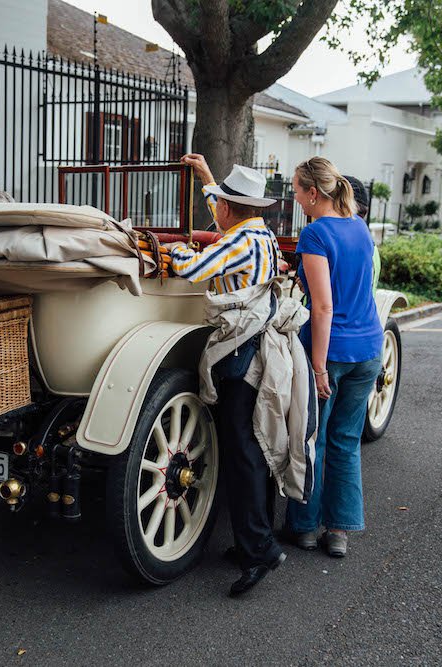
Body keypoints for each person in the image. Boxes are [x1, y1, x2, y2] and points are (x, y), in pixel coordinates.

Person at [169, 153, 289, 597]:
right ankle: (253, 541)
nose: (215, 208)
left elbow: (191, 268)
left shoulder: (241, 241)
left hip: (239, 351)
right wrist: (207, 180)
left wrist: (171, 248)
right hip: (255, 348)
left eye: (219, 202)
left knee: (241, 452)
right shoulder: (258, 235)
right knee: (249, 447)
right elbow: (222, 233)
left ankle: (261, 549)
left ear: (231, 208)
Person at [284, 157, 383, 558]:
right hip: (370, 349)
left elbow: (322, 307)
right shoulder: (359, 228)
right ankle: (339, 531)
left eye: (296, 191)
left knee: (314, 440)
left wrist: (319, 365)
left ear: (313, 193)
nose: (294, 197)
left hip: (332, 351)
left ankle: (305, 527)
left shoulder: (315, 235)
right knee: (346, 441)